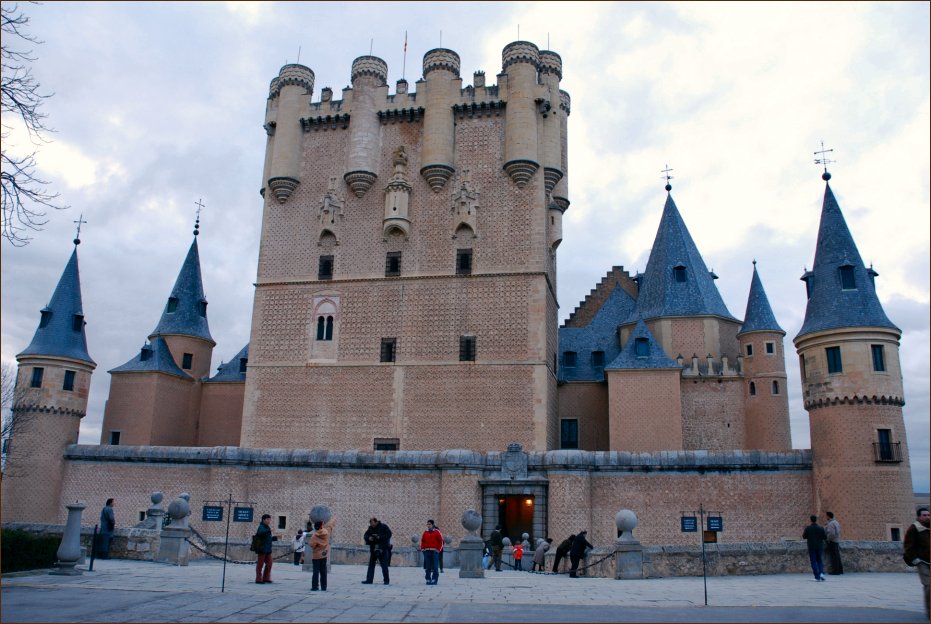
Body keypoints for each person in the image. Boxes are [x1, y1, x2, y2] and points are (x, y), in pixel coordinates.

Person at [903, 507, 930, 618]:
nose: (927, 517)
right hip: (922, 561)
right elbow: (908, 545)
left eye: (928, 515)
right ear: (919, 516)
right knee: (928, 586)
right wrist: (915, 558)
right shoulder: (914, 528)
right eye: (924, 515)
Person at [362, 517, 392, 585]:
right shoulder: (370, 528)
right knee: (371, 565)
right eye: (371, 524)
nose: (372, 525)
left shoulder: (384, 526)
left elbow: (389, 534)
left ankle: (386, 580)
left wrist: (380, 537)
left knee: (384, 565)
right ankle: (369, 580)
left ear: (376, 522)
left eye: (373, 524)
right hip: (373, 549)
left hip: (382, 549)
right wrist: (369, 538)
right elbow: (365, 536)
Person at [310, 515, 336, 591]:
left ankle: (315, 586)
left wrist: (316, 545)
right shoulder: (326, 533)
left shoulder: (314, 536)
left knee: (315, 571)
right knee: (323, 571)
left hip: (316, 556)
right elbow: (331, 525)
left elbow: (312, 545)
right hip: (324, 555)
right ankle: (324, 586)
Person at [254, 513, 279, 584]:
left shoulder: (267, 527)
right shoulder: (261, 527)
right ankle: (258, 579)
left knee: (269, 563)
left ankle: (266, 577)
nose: (269, 521)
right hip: (262, 548)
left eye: (269, 519)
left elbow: (267, 538)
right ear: (263, 520)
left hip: (268, 549)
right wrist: (269, 530)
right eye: (267, 519)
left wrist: (273, 538)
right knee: (260, 564)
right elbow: (260, 533)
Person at [803, 514, 827, 582]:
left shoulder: (808, 528)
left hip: (811, 547)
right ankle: (821, 573)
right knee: (819, 560)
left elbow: (804, 537)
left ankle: (817, 576)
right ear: (816, 520)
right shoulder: (821, 528)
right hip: (819, 546)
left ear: (811, 520)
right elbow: (825, 537)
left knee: (813, 561)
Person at [420, 519, 443, 585]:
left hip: (434, 552)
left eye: (429, 524)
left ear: (432, 525)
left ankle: (434, 579)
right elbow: (423, 541)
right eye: (427, 524)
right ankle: (428, 579)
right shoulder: (425, 532)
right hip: (427, 551)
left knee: (435, 567)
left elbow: (440, 541)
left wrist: (438, 550)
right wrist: (422, 549)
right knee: (428, 566)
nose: (428, 525)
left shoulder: (437, 532)